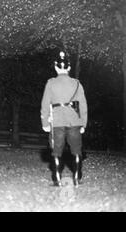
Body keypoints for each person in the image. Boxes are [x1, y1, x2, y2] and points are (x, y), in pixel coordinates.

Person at [40, 51, 88, 187]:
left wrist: (45, 122)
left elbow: (45, 104)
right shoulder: (77, 84)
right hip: (74, 121)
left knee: (56, 151)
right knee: (76, 151)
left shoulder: (50, 83)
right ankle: (77, 177)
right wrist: (83, 123)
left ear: (56, 67)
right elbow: (83, 105)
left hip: (57, 122)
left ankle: (56, 179)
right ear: (69, 67)